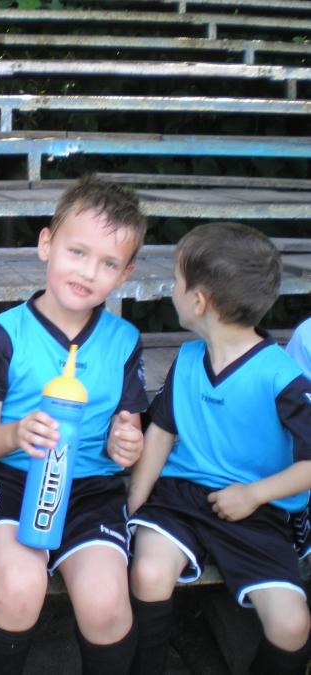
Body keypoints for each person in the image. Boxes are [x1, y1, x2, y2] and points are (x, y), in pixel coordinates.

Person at [0, 176, 149, 675]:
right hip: (12, 482)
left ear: (125, 274)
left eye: (108, 263)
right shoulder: (3, 334)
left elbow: (128, 428)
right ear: (46, 244)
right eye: (77, 252)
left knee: (107, 604)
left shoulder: (124, 340)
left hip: (89, 490)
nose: (88, 272)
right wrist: (15, 434)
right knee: (21, 586)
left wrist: (128, 444)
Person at [127, 222, 311, 675]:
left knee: (292, 625)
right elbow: (161, 431)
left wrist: (254, 494)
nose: (170, 289)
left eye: (176, 280)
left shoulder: (282, 378)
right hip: (180, 498)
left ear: (198, 301)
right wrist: (134, 503)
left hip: (259, 511)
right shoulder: (189, 359)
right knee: (149, 573)